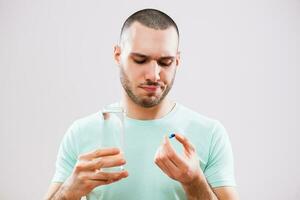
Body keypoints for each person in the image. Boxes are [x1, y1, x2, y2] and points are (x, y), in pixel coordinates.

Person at [44, 8, 239, 200]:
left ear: (177, 61)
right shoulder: (81, 132)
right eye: (140, 60)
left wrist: (194, 182)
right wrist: (68, 192)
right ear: (117, 55)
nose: (154, 75)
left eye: (165, 62)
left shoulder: (210, 133)